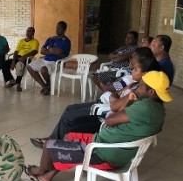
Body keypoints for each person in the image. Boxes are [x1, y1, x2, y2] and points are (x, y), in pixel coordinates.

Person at [25, 70, 172, 181]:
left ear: (152, 92)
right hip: (108, 144)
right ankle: (47, 177)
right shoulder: (157, 109)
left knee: (48, 145)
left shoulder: (144, 107)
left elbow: (110, 120)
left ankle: (41, 171)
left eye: (141, 86)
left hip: (104, 153)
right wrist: (130, 100)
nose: (137, 87)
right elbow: (115, 116)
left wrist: (128, 99)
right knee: (69, 136)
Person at [30, 47, 161, 147]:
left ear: (145, 73)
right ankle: (52, 139)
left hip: (106, 115)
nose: (132, 69)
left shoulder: (139, 92)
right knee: (70, 109)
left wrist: (115, 97)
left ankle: (52, 143)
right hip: (106, 106)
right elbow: (115, 95)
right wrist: (115, 96)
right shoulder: (135, 85)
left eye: (135, 69)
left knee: (69, 118)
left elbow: (116, 106)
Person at [27, 21, 71, 95]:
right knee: (29, 67)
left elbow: (60, 52)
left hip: (56, 62)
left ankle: (48, 84)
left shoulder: (66, 41)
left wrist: (49, 50)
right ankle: (45, 86)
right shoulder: (51, 39)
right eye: (56, 27)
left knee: (43, 70)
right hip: (45, 59)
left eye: (59, 28)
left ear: (64, 30)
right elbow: (42, 50)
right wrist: (51, 51)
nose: (57, 29)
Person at [1, 27, 39, 91]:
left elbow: (34, 51)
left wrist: (25, 56)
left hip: (26, 59)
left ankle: (18, 84)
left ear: (33, 33)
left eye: (30, 31)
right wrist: (13, 61)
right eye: (27, 31)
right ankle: (12, 80)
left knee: (19, 65)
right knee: (4, 64)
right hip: (18, 57)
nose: (27, 32)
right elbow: (16, 51)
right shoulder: (21, 41)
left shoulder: (35, 41)